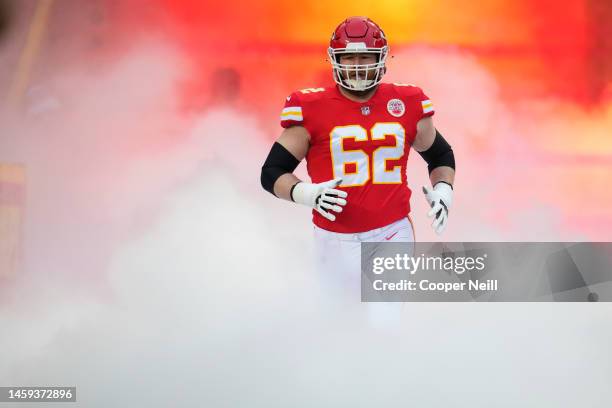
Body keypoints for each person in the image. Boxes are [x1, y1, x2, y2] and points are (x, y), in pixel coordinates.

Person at [261, 16, 455, 287]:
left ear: (381, 58)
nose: (357, 65)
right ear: (335, 59)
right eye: (349, 57)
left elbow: (440, 155)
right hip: (334, 236)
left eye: (366, 57)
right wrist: (306, 193)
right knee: (339, 321)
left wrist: (444, 190)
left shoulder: (407, 102)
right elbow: (272, 172)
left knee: (383, 320)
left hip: (391, 232)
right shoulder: (310, 106)